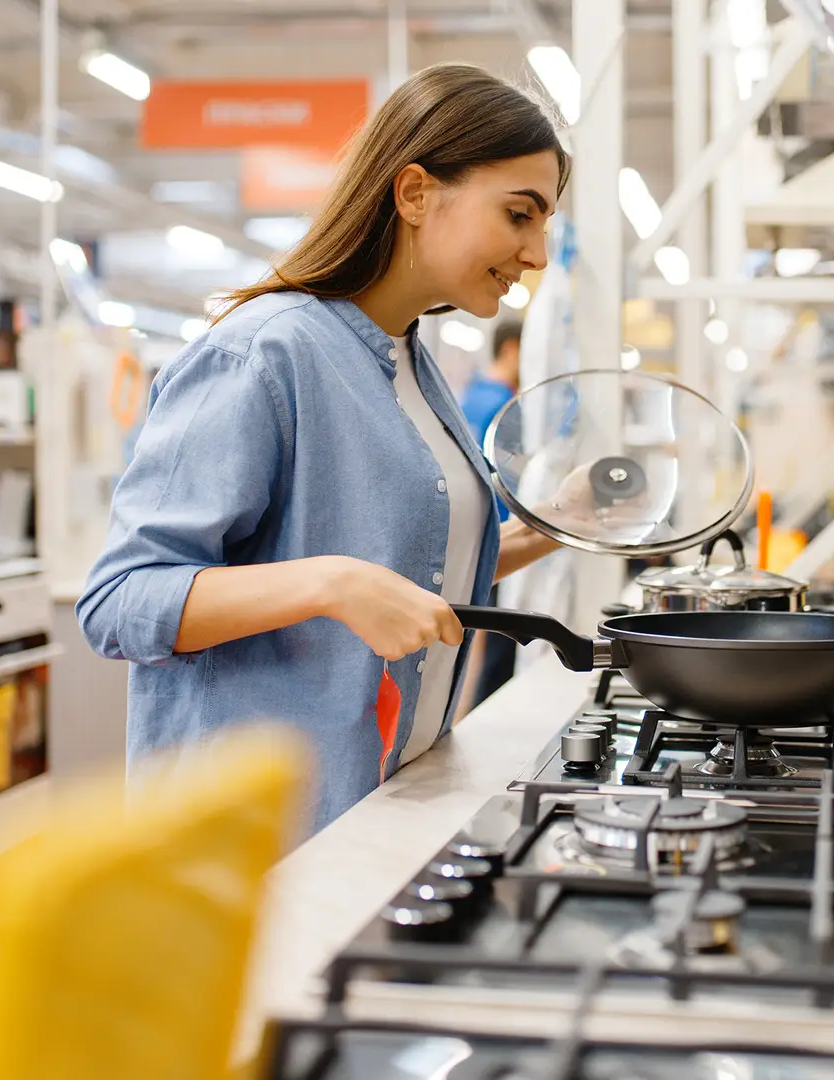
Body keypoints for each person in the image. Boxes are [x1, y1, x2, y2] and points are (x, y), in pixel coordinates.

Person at [78, 64, 570, 832]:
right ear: (413, 194)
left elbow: (404, 566)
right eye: (519, 215)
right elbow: (120, 602)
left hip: (371, 805)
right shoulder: (265, 352)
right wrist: (331, 584)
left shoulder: (411, 360)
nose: (536, 253)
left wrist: (543, 533)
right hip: (254, 843)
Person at [459, 321, 523, 706]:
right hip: (502, 532)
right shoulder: (504, 403)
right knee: (502, 642)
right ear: (513, 349)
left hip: (482, 531)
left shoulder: (472, 395)